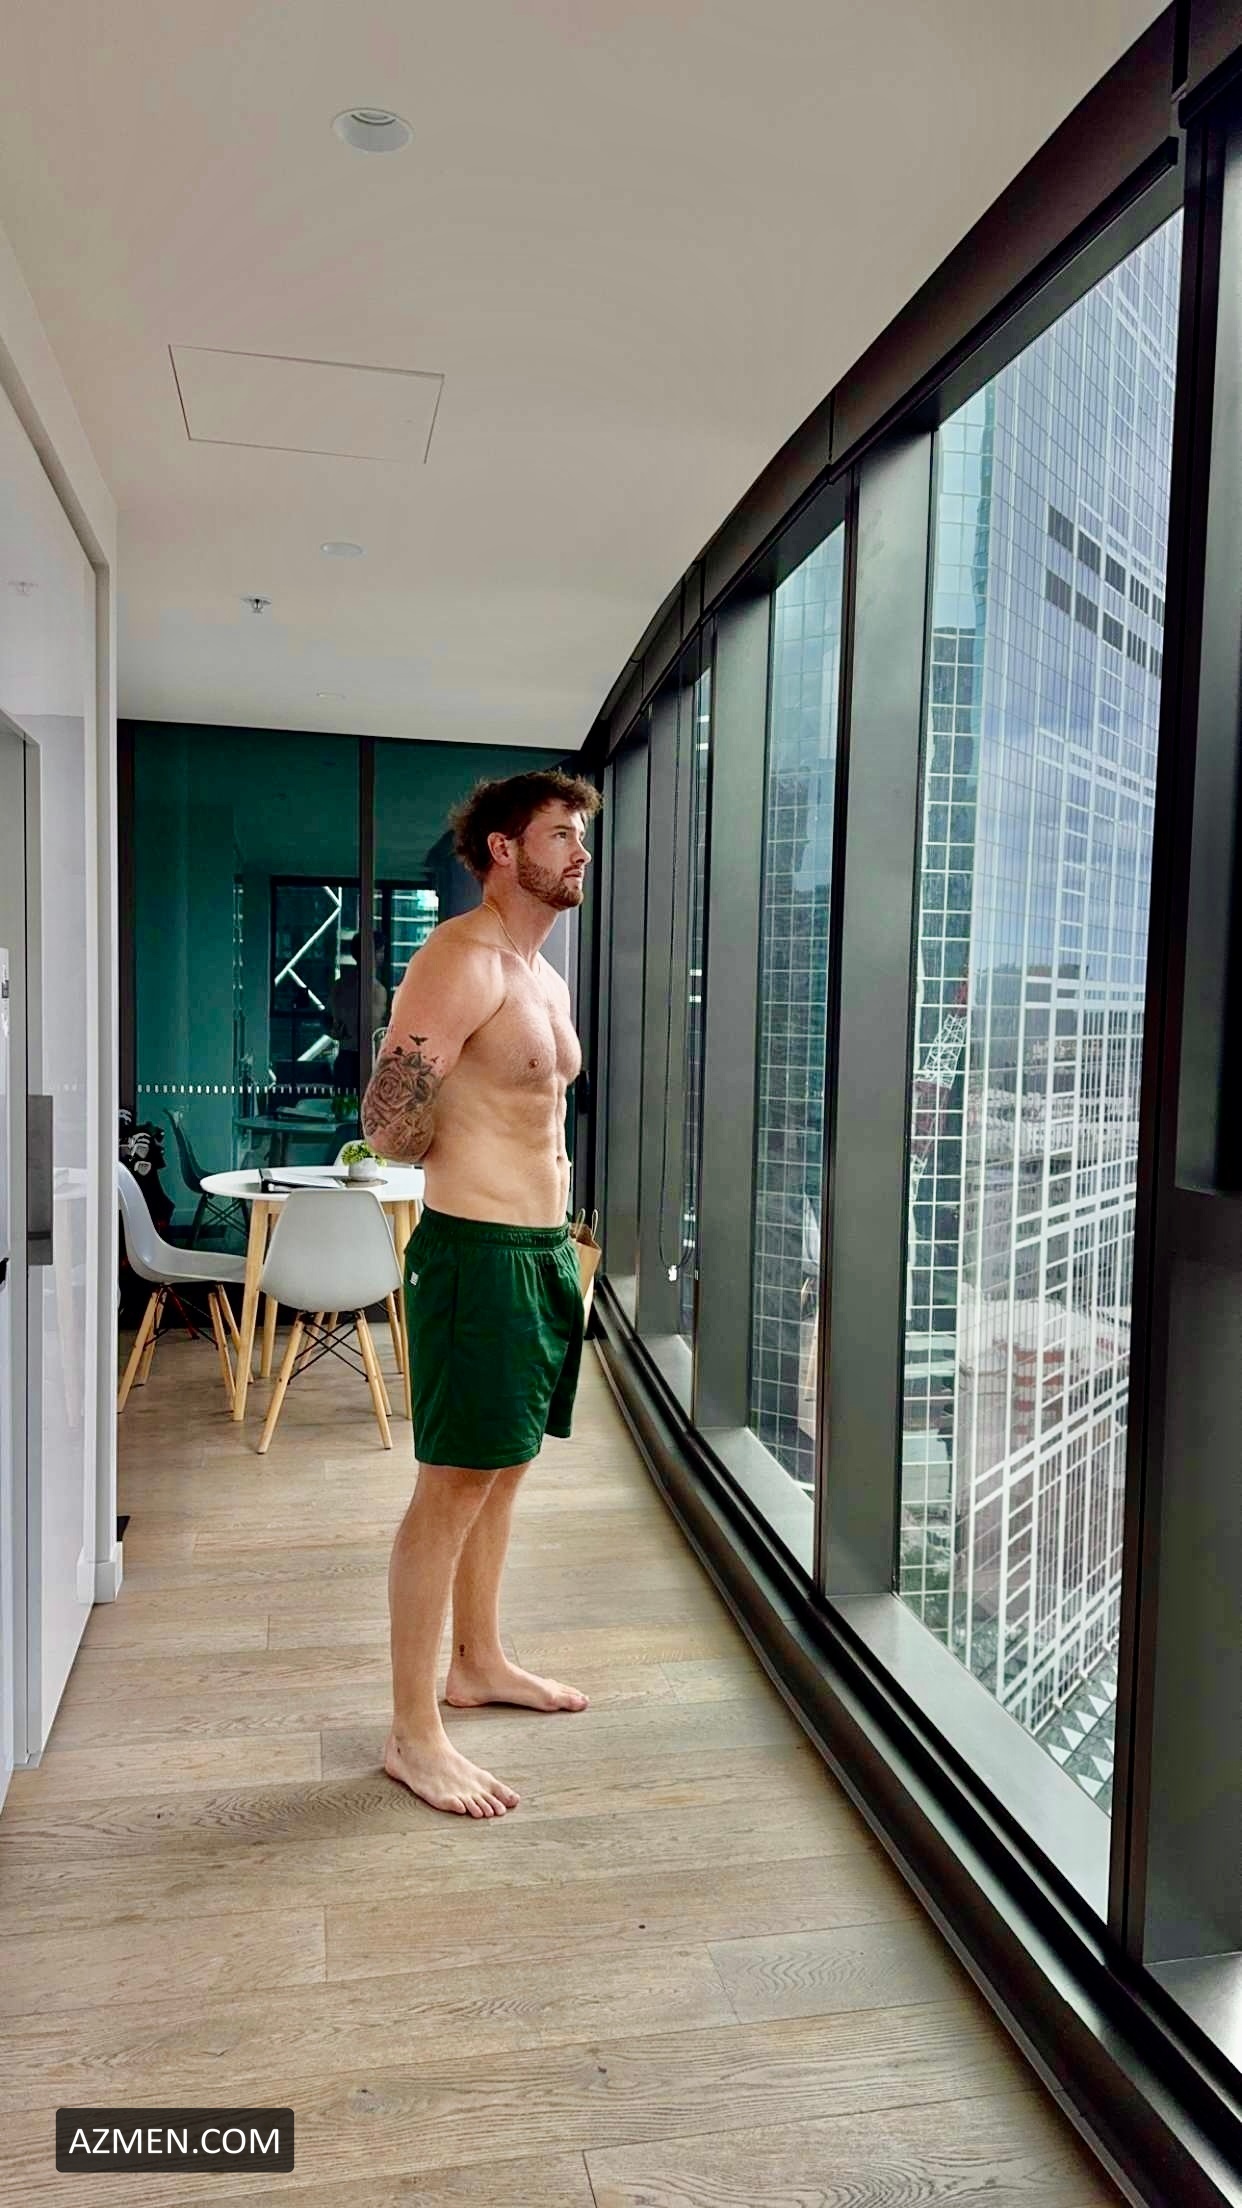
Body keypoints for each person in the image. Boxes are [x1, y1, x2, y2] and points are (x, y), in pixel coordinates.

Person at [361, 768, 603, 1818]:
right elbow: (387, 1123)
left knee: (504, 1470)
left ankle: (480, 1661)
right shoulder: (458, 960)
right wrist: (435, 1132)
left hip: (543, 1252)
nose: (579, 852)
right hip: (477, 1252)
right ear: (504, 850)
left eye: (581, 835)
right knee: (452, 1486)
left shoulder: (543, 976)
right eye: (560, 834)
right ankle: (413, 1734)